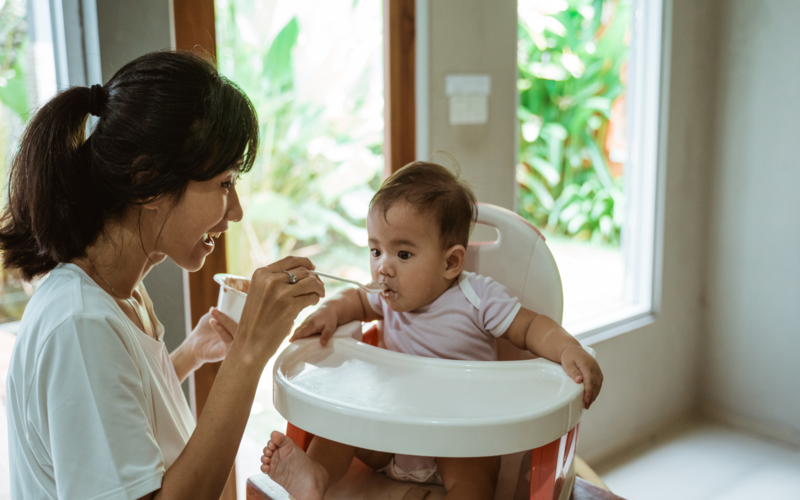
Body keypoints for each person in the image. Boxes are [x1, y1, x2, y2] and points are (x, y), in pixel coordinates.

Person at [2, 51, 324, 500]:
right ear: (146, 182)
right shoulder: (81, 325)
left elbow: (118, 419)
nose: (236, 211)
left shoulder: (123, 294)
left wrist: (187, 356)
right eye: (225, 183)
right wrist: (247, 353)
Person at [260, 161, 604, 500]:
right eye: (376, 250)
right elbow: (356, 299)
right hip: (389, 434)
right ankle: (316, 475)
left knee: (476, 477)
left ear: (451, 262)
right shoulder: (387, 298)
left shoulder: (477, 298)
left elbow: (529, 327)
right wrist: (330, 311)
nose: (383, 268)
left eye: (403, 253)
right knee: (340, 427)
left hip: (460, 440)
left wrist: (567, 348)